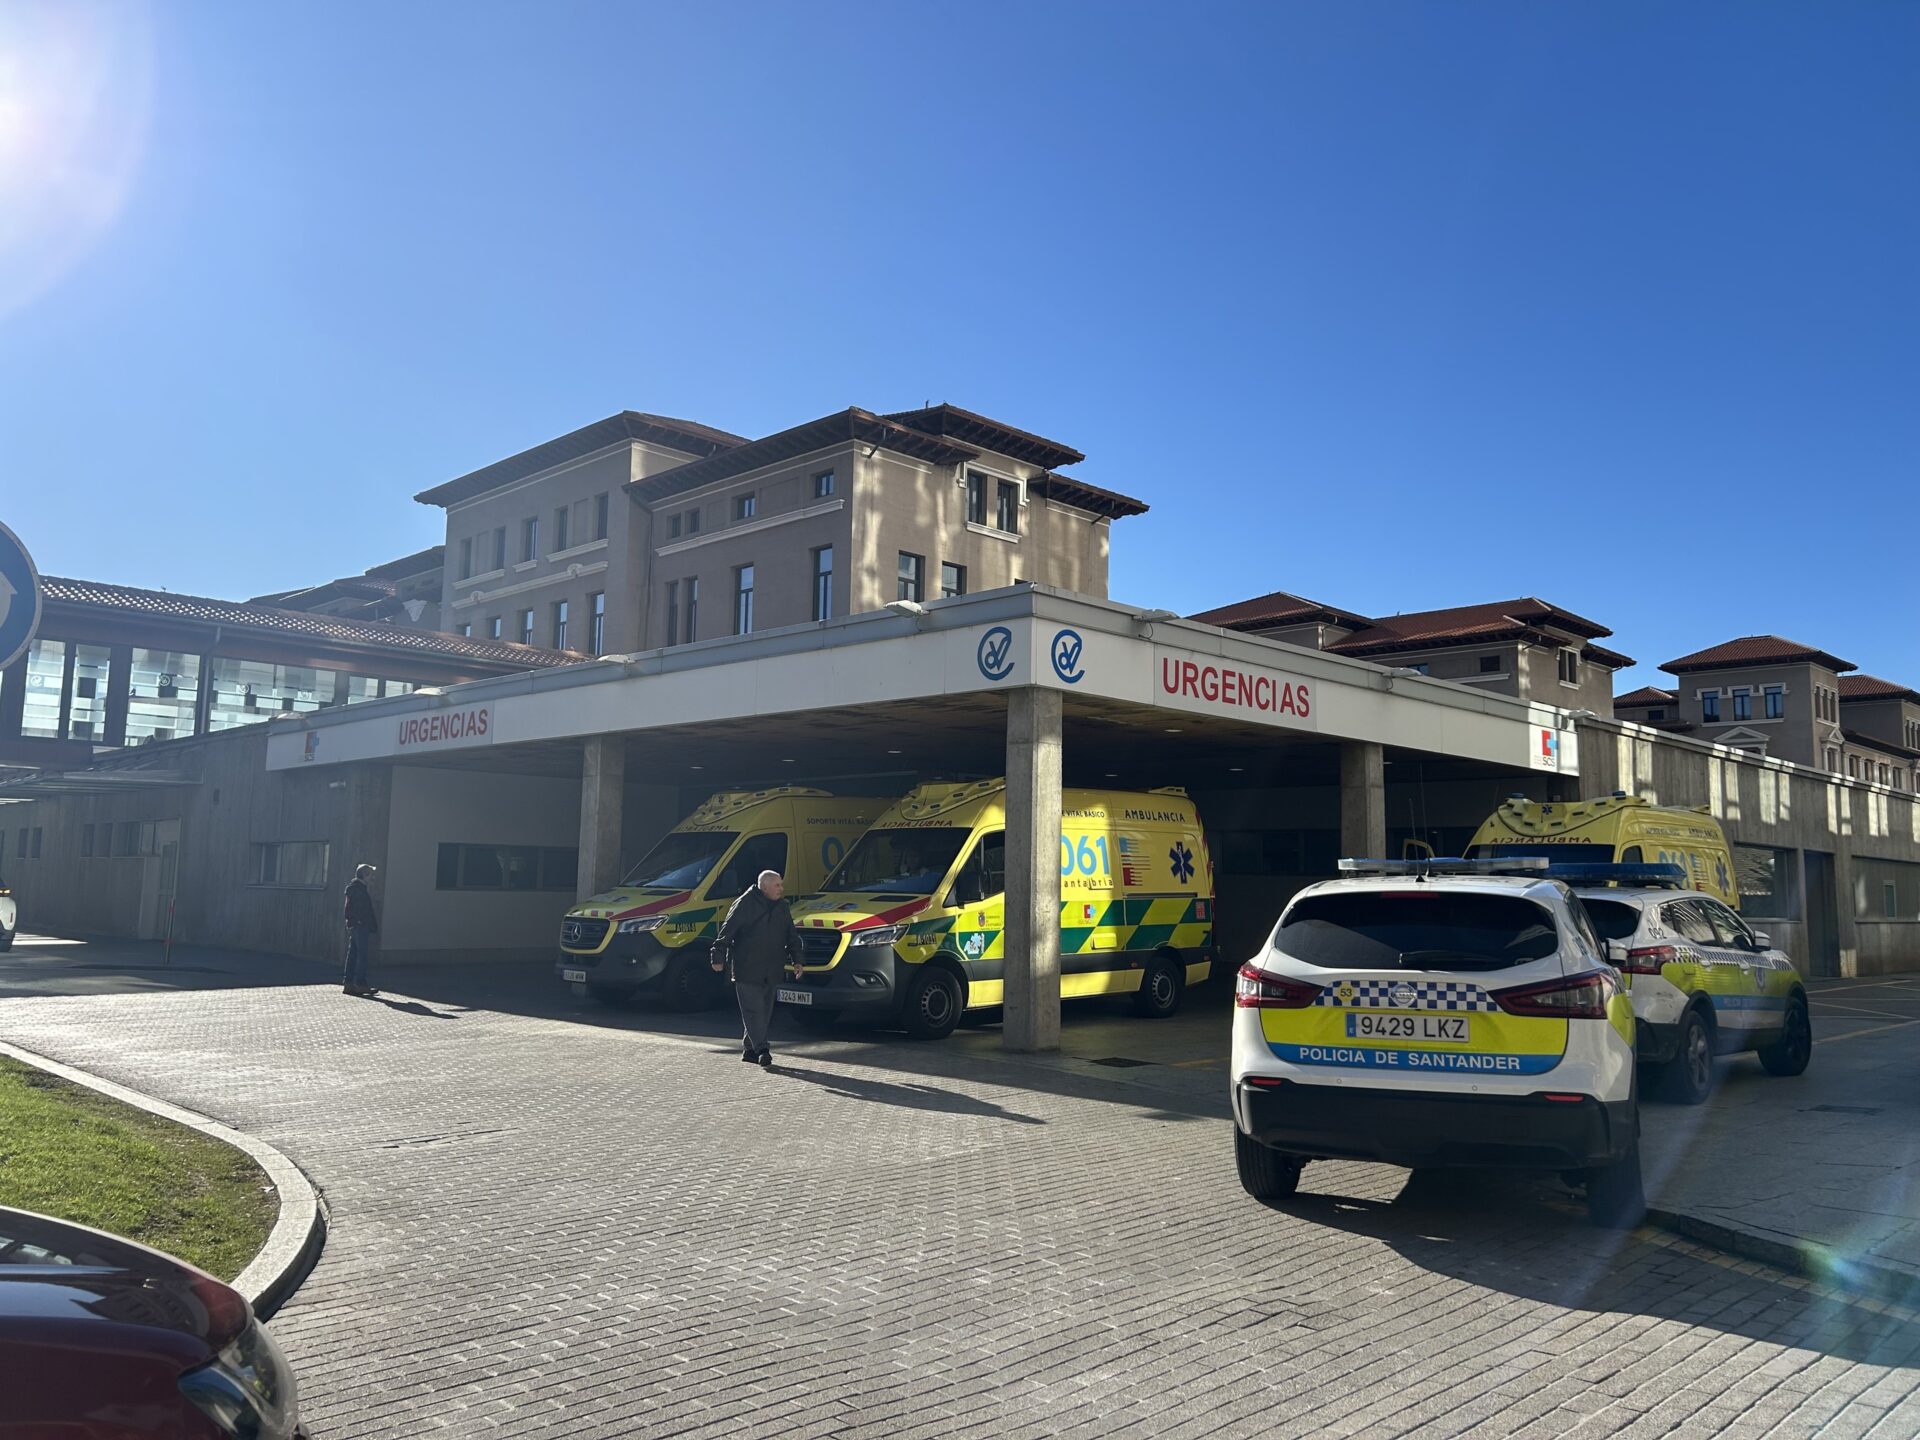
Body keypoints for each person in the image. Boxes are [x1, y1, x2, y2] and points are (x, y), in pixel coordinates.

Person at [712, 869, 804, 1068]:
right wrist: (717, 957)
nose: (781, 888)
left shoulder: (782, 906)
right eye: (777, 885)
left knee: (763, 1012)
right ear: (764, 887)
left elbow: (791, 935)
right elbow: (726, 932)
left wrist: (797, 960)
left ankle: (749, 1050)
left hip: (772, 968)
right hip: (747, 968)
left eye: (781, 884)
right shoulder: (744, 904)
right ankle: (762, 1049)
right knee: (754, 1011)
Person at [343, 863, 380, 997]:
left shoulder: (353, 888)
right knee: (362, 955)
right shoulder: (360, 889)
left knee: (353, 954)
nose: (372, 877)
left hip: (355, 925)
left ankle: (348, 983)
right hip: (360, 925)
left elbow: (349, 908)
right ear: (364, 875)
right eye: (370, 874)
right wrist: (362, 921)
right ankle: (360, 984)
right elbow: (361, 909)